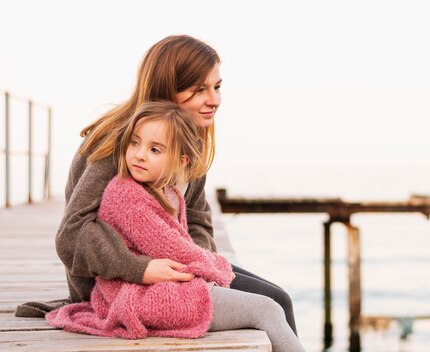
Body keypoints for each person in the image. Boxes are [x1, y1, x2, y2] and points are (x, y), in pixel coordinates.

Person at [15, 34, 298, 336]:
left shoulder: (189, 141)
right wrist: (141, 268)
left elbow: (198, 220)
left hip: (176, 270)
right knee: (272, 304)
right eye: (199, 89)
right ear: (167, 88)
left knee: (278, 297)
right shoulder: (122, 143)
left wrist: (197, 267)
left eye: (217, 87)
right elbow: (72, 234)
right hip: (117, 285)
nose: (213, 99)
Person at [46, 101, 304, 351]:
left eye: (154, 150)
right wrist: (217, 271)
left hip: (162, 286)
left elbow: (191, 231)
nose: (139, 154)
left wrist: (209, 269)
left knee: (273, 302)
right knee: (267, 310)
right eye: (134, 143)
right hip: (142, 297)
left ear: (181, 162)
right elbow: (173, 248)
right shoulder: (127, 195)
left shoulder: (168, 191)